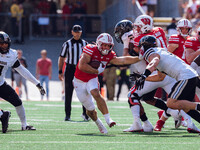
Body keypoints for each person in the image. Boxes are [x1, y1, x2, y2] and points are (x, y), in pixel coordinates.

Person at [114, 18, 196, 133]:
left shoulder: (138, 40)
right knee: (161, 99)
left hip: (154, 73)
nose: (136, 29)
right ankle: (190, 123)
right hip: (167, 72)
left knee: (132, 95)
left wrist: (127, 44)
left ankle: (141, 124)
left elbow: (127, 59)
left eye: (138, 27)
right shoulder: (159, 31)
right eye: (135, 27)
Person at [73, 32, 140, 134]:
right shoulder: (90, 49)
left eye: (108, 45)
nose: (106, 47)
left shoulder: (110, 55)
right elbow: (82, 66)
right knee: (90, 110)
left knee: (96, 93)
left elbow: (122, 60)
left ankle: (108, 119)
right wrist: (96, 71)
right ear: (99, 44)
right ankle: (99, 124)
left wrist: (139, 58)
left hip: (92, 78)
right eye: (104, 45)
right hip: (79, 81)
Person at [137, 35, 200, 130]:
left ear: (144, 46)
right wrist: (143, 78)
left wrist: (145, 74)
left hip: (185, 76)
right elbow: (160, 77)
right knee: (185, 107)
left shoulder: (152, 52)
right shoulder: (161, 51)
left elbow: (154, 61)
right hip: (190, 75)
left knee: (171, 103)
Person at [0, 31, 45, 130]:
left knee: (18, 102)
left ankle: (24, 125)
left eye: (5, 43)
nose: (4, 46)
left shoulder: (11, 54)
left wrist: (37, 83)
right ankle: (3, 115)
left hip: (1, 84)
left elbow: (21, 70)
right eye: (1, 44)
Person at [58, 25, 89, 121]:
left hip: (81, 69)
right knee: (68, 92)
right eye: (75, 31)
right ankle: (68, 115)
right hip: (70, 69)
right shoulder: (67, 44)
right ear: (72, 32)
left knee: (84, 91)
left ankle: (85, 114)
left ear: (81, 32)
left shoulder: (85, 44)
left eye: (78, 31)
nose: (77, 33)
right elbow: (62, 58)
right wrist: (60, 71)